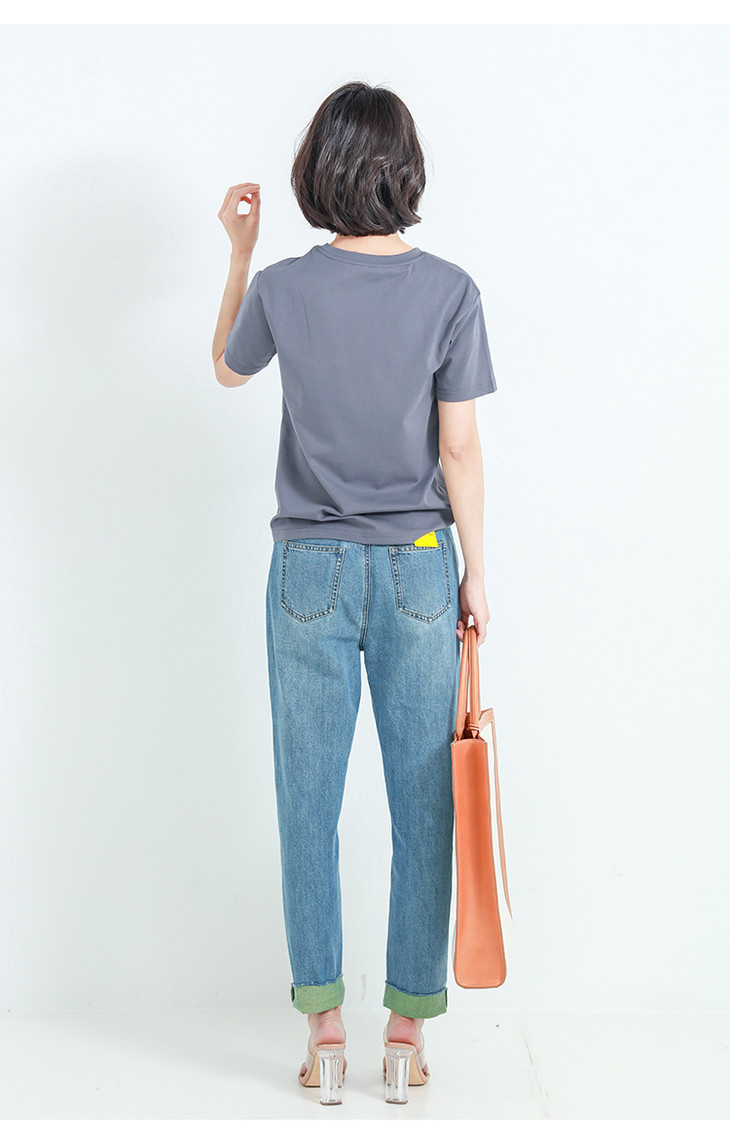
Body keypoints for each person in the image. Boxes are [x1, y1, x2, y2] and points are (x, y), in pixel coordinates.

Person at [211, 81, 497, 1102]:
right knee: (426, 807)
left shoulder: (284, 288)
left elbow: (226, 369)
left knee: (309, 804)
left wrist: (240, 254)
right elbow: (457, 449)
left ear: (318, 170)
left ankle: (324, 1029)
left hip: (309, 571)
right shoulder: (450, 290)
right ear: (404, 170)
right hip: (420, 563)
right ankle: (406, 1035)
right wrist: (477, 572)